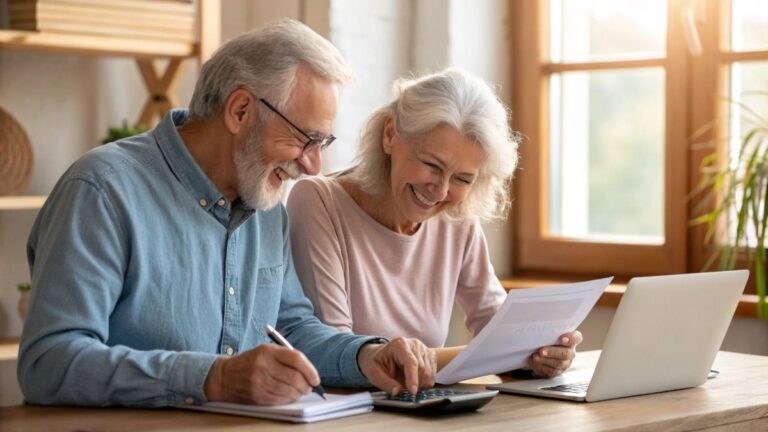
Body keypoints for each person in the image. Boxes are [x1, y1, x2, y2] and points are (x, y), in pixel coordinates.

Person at [18, 19, 435, 408]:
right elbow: (48, 363)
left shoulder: (266, 201)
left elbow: (290, 329)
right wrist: (210, 378)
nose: (313, 167)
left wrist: (366, 355)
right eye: (307, 139)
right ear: (239, 111)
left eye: (322, 144)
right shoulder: (102, 190)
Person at [287, 68, 582, 377]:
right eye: (431, 165)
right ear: (390, 135)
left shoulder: (456, 218)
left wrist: (543, 355)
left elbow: (502, 332)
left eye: (463, 178)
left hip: (421, 409)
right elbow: (336, 353)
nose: (440, 191)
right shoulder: (318, 200)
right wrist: (506, 353)